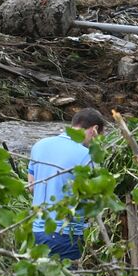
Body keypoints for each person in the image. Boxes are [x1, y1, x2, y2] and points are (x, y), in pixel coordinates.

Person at [28, 108, 106, 264]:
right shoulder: (87, 155)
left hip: (36, 230)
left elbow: (32, 187)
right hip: (66, 234)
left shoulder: (39, 145)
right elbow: (94, 199)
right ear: (95, 130)